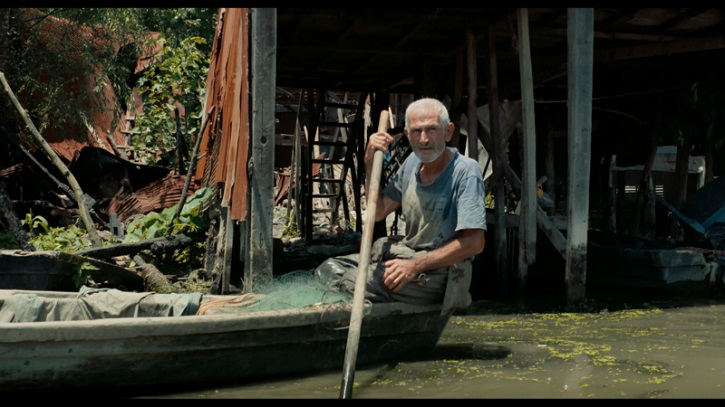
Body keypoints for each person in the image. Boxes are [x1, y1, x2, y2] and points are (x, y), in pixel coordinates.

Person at [315, 97, 487, 305]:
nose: (424, 139)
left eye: (431, 130)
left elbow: (475, 242)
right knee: (329, 269)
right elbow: (377, 211)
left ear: (448, 131)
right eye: (416, 131)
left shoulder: (466, 172)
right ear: (407, 135)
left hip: (441, 272)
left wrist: (414, 266)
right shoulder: (411, 163)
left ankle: (375, 310)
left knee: (353, 282)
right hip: (409, 254)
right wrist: (370, 162)